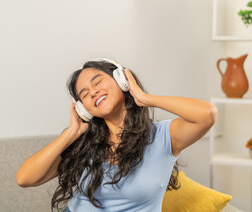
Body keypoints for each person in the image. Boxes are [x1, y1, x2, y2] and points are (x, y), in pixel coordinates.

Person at [15, 59, 218, 212]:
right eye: (84, 94)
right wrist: (71, 132)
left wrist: (145, 98)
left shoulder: (164, 136)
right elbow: (24, 178)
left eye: (98, 82)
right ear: (83, 108)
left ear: (121, 80)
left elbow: (207, 114)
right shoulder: (82, 143)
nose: (93, 92)